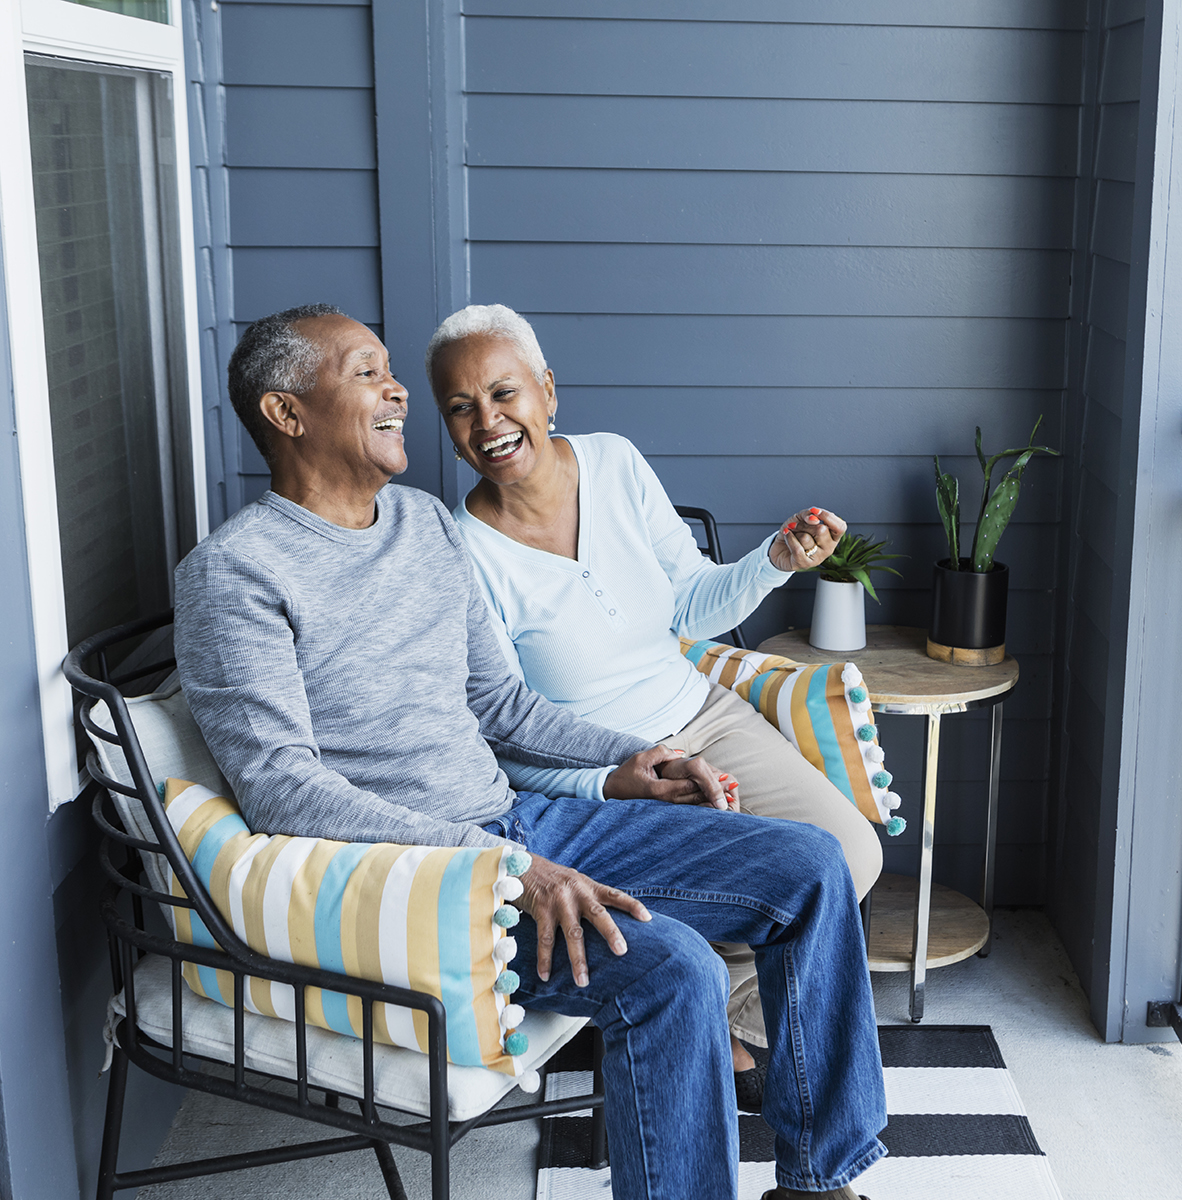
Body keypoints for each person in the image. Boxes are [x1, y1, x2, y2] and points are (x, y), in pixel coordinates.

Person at [174, 304, 885, 1200]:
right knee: (674, 973)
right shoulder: (235, 574)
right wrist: (506, 865)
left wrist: (640, 754)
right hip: (425, 880)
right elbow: (282, 791)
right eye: (366, 372)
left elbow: (502, 705)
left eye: (392, 371)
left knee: (814, 865)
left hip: (520, 825)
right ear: (287, 414)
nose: (398, 390)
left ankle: (818, 1184)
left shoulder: (423, 526)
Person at [424, 304, 884, 1105]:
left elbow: (689, 608)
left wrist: (772, 562)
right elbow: (502, 731)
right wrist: (614, 777)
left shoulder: (615, 463)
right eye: (462, 408)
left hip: (703, 712)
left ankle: (732, 1020)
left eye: (504, 394)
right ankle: (724, 1031)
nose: (488, 422)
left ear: (548, 390)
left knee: (853, 854)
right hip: (603, 772)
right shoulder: (460, 550)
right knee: (753, 893)